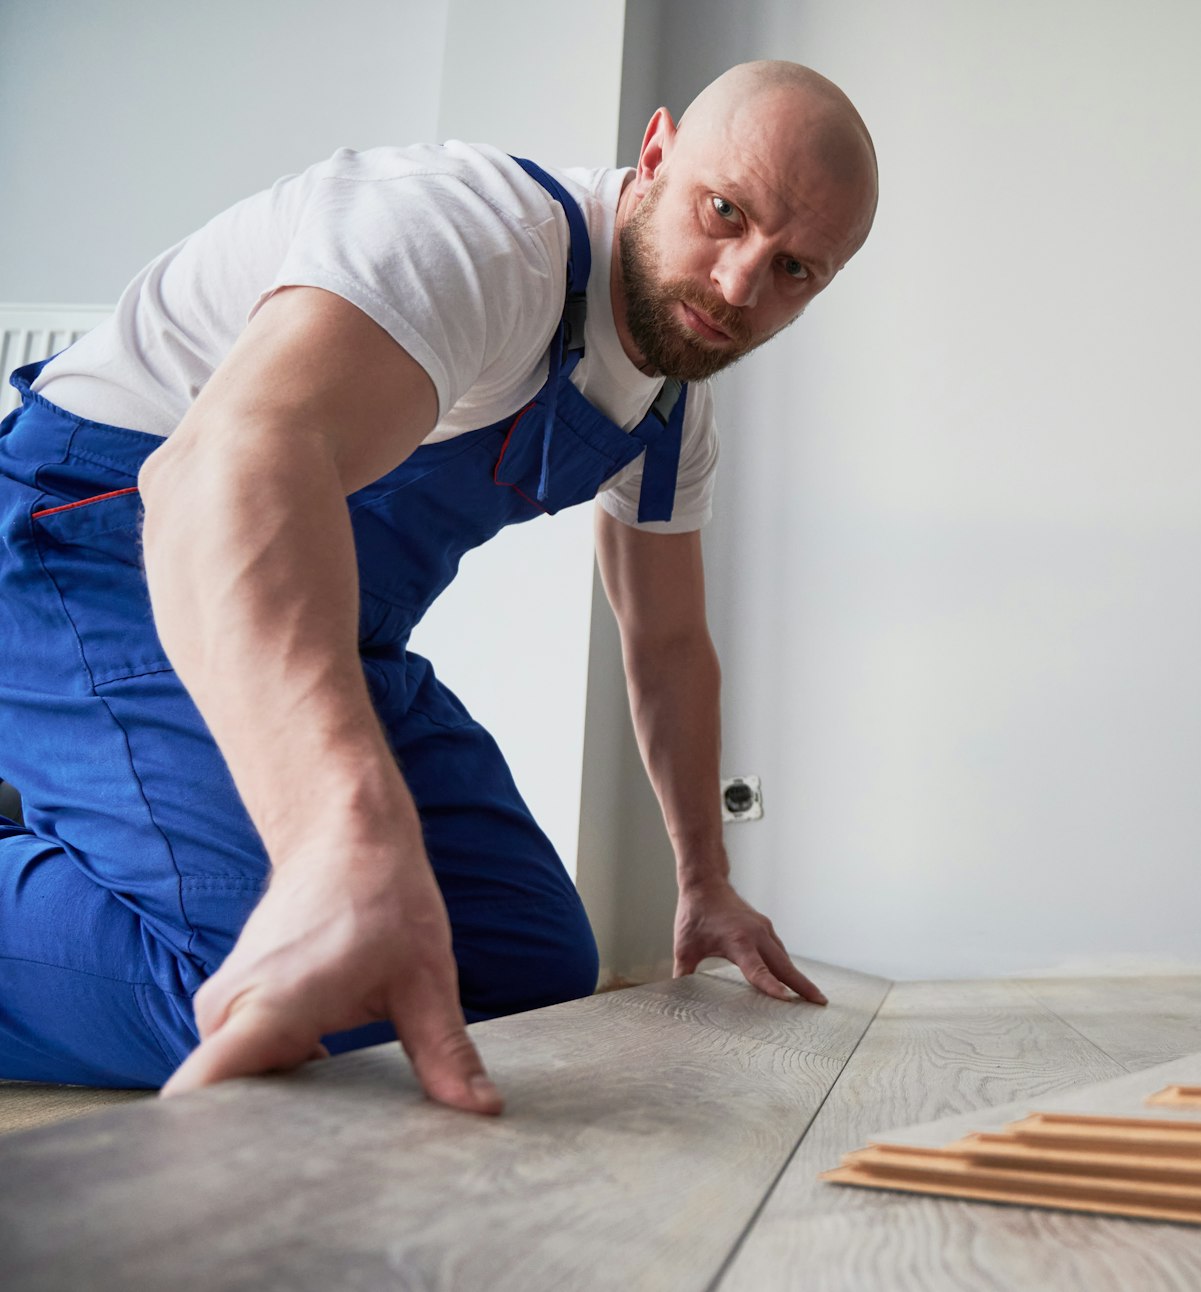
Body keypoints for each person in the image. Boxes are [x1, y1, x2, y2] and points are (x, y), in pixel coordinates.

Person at [0, 61, 879, 1115]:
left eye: (793, 270)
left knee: (521, 965)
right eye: (724, 213)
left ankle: (102, 829)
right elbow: (222, 469)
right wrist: (340, 841)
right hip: (83, 558)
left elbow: (668, 645)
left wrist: (704, 877)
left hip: (331, 630)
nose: (739, 286)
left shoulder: (669, 418)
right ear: (653, 157)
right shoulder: (475, 237)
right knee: (302, 980)